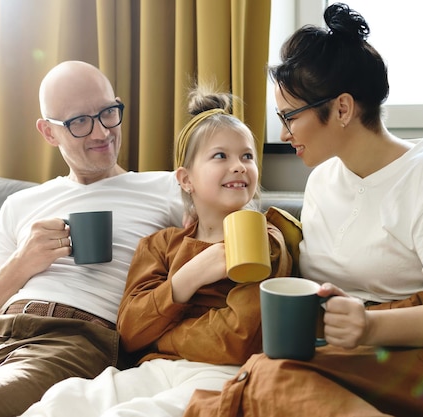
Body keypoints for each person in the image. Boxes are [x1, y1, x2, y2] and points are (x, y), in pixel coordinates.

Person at [182, 3, 423, 417]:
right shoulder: (324, 178)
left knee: (268, 379)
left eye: (290, 117)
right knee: (258, 378)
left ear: (342, 109)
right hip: (350, 353)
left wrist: (368, 324)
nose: (285, 134)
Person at [0, 60, 184, 417]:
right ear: (48, 132)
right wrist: (21, 263)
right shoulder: (20, 205)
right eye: (79, 121)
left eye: (108, 112)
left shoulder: (168, 188)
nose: (101, 133)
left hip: (73, 342)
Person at [18, 87, 292, 417]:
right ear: (185, 179)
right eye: (221, 156)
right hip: (153, 369)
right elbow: (131, 333)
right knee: (63, 399)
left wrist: (161, 335)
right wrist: (186, 280)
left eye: (247, 156)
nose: (239, 166)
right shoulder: (161, 244)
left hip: (221, 375)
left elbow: (238, 338)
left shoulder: (263, 238)